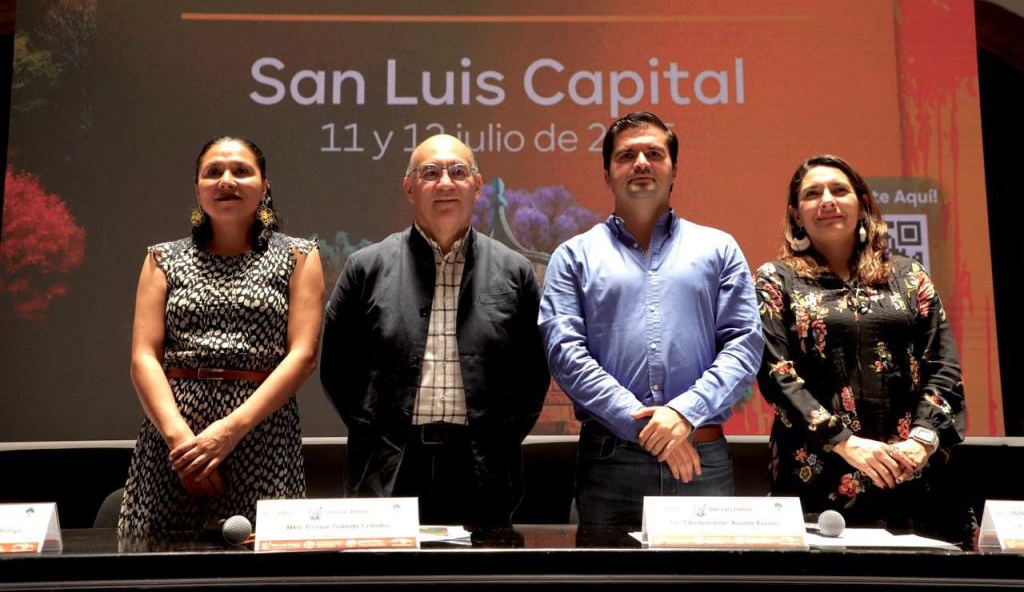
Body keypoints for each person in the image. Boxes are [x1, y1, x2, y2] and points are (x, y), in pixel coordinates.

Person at [538, 111, 764, 527]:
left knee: (704, 589)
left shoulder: (720, 248)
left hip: (702, 458)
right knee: (608, 587)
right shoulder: (572, 256)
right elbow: (565, 354)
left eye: (654, 153)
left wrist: (683, 415)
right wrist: (646, 427)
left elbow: (744, 345)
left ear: (674, 169)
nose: (641, 163)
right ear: (607, 174)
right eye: (626, 155)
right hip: (610, 465)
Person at [319, 134, 550, 531]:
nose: (445, 183)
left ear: (477, 186)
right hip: (388, 468)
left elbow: (534, 373)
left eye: (458, 172)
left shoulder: (515, 271)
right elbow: (336, 369)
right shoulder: (365, 268)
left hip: (482, 470)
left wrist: (500, 438)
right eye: (430, 173)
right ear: (410, 188)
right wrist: (374, 431)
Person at [755, 154, 973, 544]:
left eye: (839, 190)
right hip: (819, 475)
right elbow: (776, 373)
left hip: (914, 471)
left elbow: (943, 365)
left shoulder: (910, 276)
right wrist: (847, 443)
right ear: (796, 214)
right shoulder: (776, 280)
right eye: (812, 194)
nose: (827, 200)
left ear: (863, 205)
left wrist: (921, 441)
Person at [117, 136, 324, 539]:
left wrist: (228, 432)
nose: (226, 180)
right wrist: (183, 445)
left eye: (241, 171)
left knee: (263, 571)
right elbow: (144, 356)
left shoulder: (300, 255)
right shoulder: (161, 258)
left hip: (261, 435)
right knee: (156, 571)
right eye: (213, 172)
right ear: (197, 190)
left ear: (264, 186)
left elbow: (303, 355)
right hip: (175, 443)